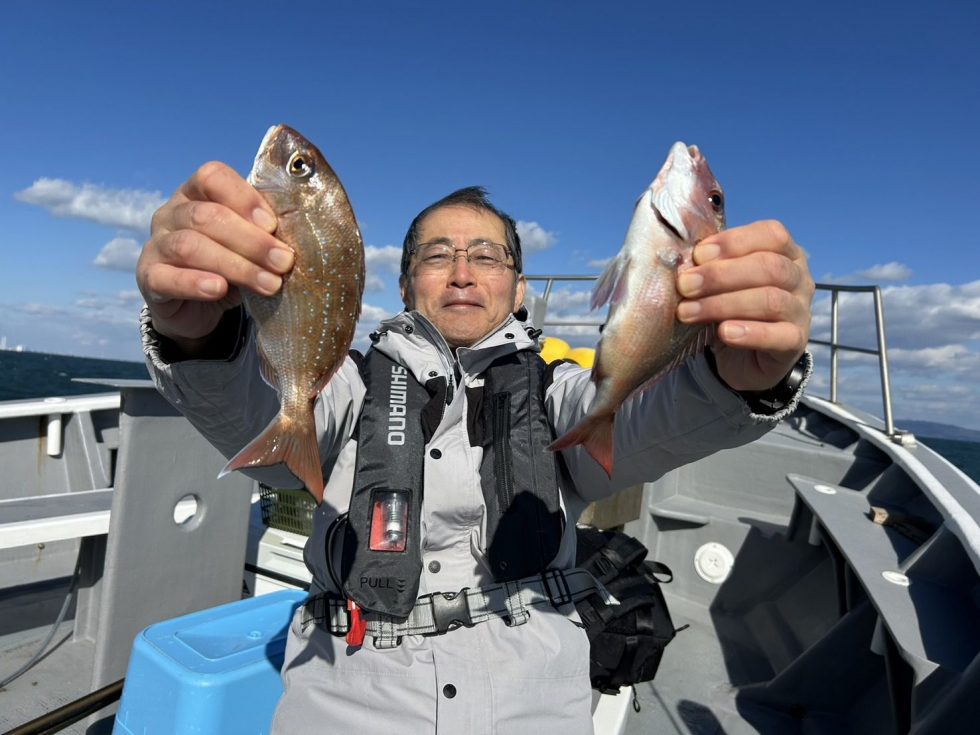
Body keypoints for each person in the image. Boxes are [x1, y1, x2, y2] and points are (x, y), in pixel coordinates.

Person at [136, 162, 814, 735]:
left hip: (534, 698)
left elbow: (647, 424)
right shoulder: (348, 384)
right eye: (437, 255)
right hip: (347, 695)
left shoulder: (560, 394)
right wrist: (199, 339)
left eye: (487, 256)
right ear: (405, 287)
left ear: (518, 289)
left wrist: (739, 378)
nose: (462, 272)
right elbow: (259, 418)